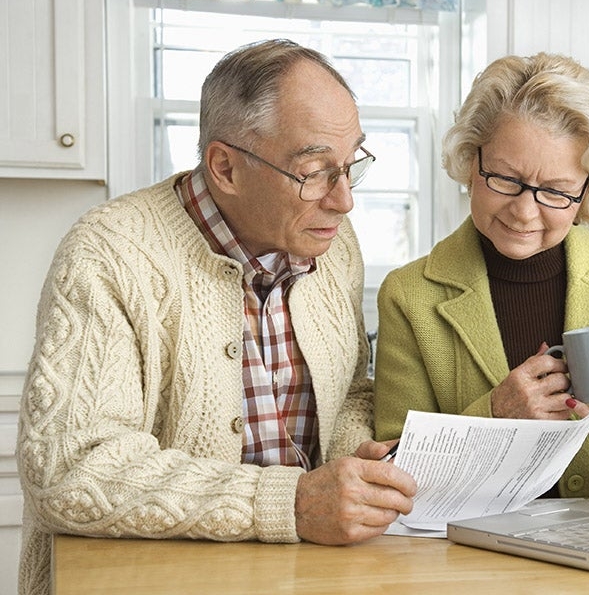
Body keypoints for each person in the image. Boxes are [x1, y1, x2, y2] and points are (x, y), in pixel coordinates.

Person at [16, 39, 416, 595]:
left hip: (305, 575)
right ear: (225, 167)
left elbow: (348, 390)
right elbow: (70, 472)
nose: (344, 201)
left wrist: (354, 465)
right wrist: (292, 504)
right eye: (315, 171)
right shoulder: (108, 253)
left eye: (351, 165)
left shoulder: (334, 244)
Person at [374, 52, 589, 501]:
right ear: (472, 161)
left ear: (587, 193)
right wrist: (494, 416)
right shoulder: (409, 295)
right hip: (470, 558)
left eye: (556, 192)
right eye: (505, 179)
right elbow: (391, 470)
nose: (524, 212)